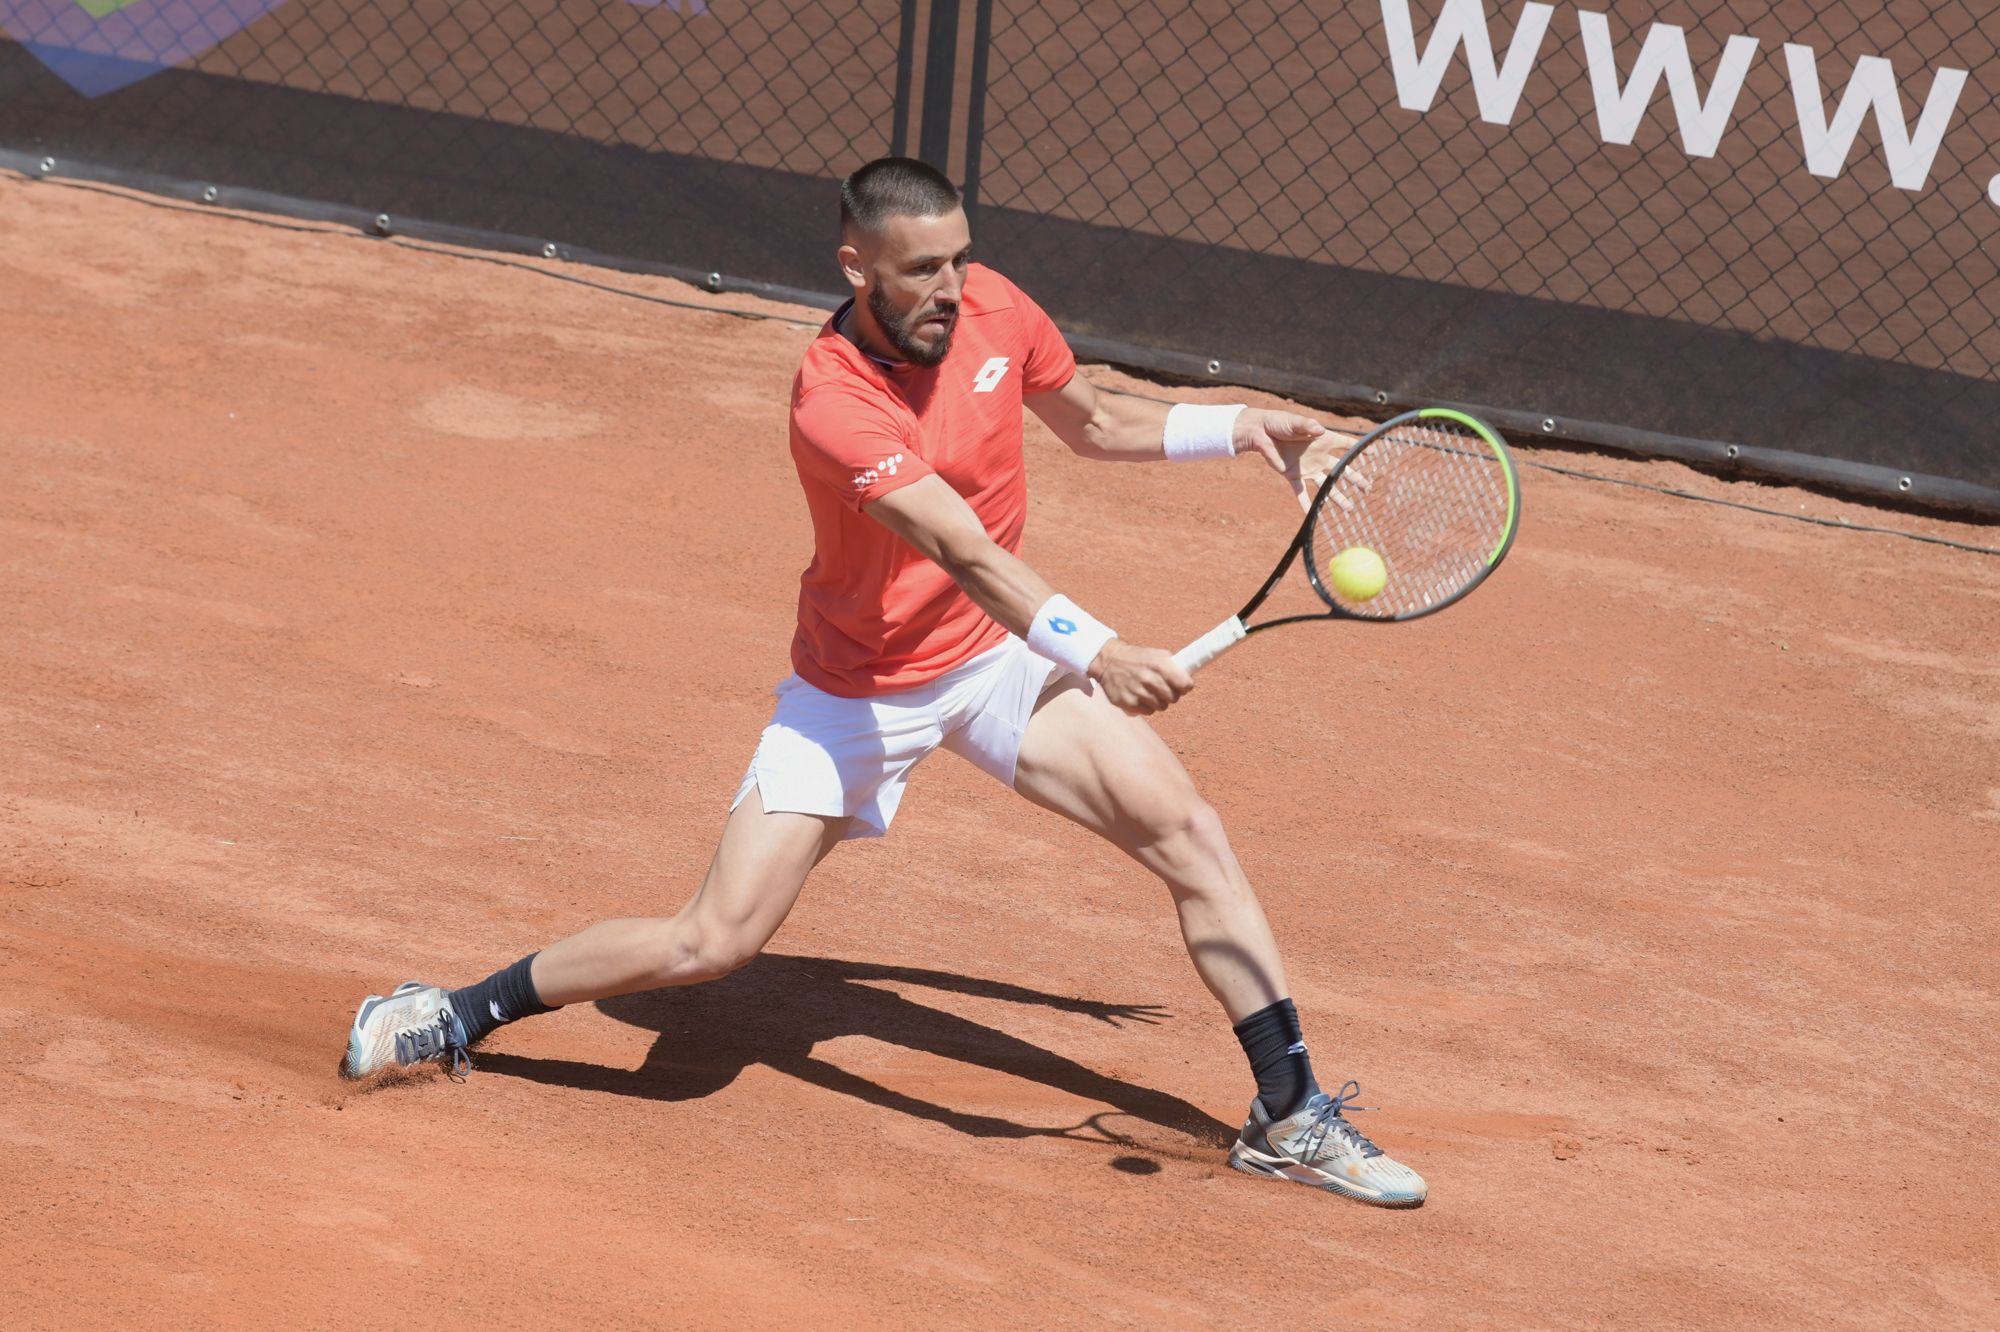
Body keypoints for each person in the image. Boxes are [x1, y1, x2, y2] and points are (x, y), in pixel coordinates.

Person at [339, 157, 1425, 1208]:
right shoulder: (833, 400)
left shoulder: (993, 307)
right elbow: (960, 548)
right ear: (857, 268)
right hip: (858, 690)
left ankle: (1288, 1116)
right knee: (709, 944)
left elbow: (1094, 420)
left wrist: (1238, 426)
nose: (950, 289)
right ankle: (454, 1010)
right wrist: (1096, 650)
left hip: (990, 658)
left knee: (1190, 836)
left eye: (959, 260)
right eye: (921, 270)